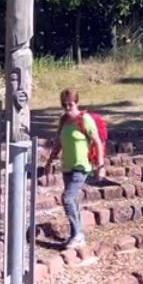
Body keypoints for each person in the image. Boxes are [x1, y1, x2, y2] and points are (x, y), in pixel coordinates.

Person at [42, 88, 105, 249]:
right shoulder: (63, 121)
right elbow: (58, 143)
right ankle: (76, 234)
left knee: (67, 198)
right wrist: (49, 161)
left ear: (76, 102)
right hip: (67, 166)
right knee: (74, 201)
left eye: (70, 104)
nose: (67, 107)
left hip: (81, 166)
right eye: (64, 104)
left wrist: (100, 165)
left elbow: (97, 141)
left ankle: (77, 234)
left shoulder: (85, 119)